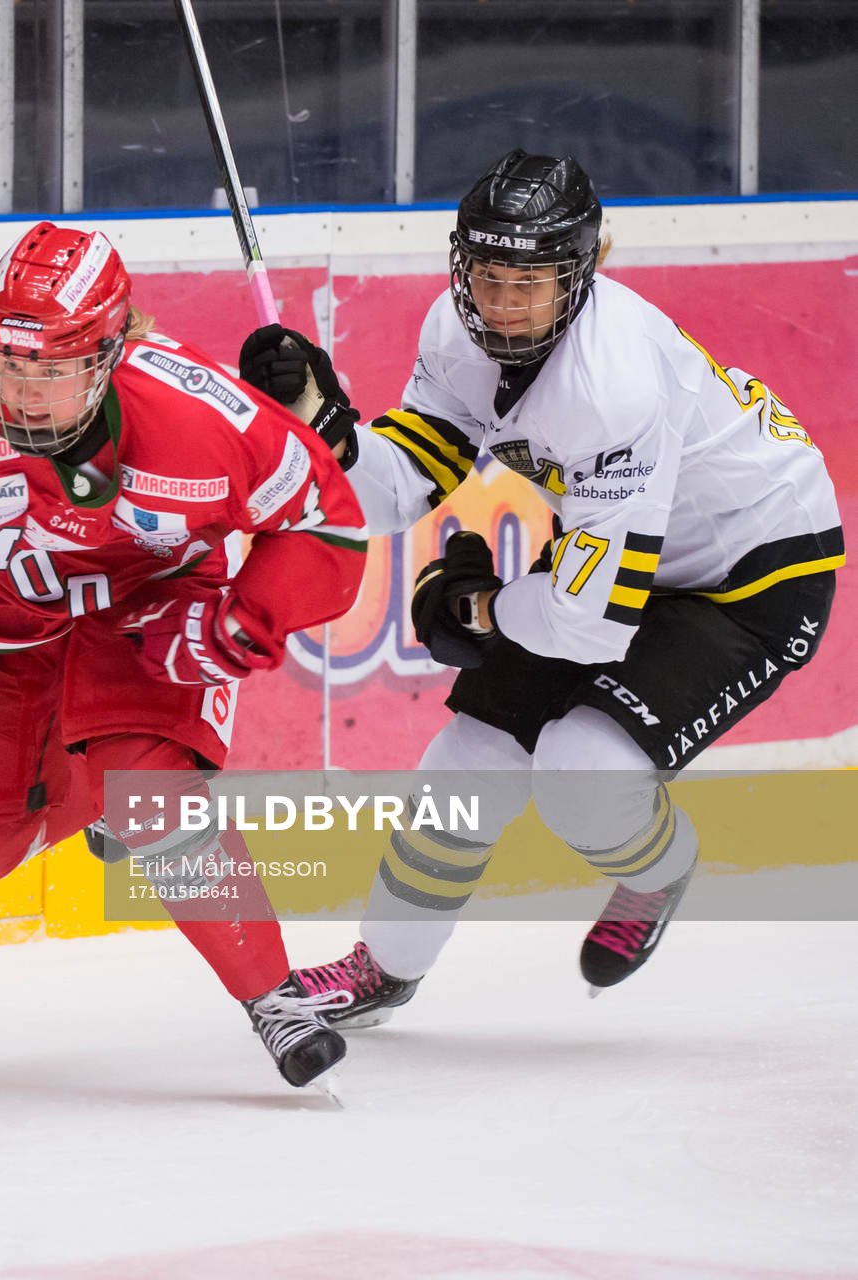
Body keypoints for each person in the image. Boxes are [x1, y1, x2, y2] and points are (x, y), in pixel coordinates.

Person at [237, 149, 843, 1023]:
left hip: (752, 572)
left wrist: (479, 609)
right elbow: (398, 486)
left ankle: (656, 868)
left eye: (533, 280)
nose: (504, 303)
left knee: (582, 769)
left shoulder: (612, 385)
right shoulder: (453, 333)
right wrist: (330, 439)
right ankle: (385, 966)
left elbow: (589, 626)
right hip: (629, 546)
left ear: (586, 270)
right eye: (487, 274)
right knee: (469, 758)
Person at [0, 221, 367, 1086]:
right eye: (9, 364)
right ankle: (97, 800)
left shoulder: (202, 417)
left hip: (146, 623)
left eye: (52, 369)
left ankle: (273, 999)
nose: (24, 392)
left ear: (109, 353)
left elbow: (328, 529)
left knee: (151, 794)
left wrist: (234, 625)